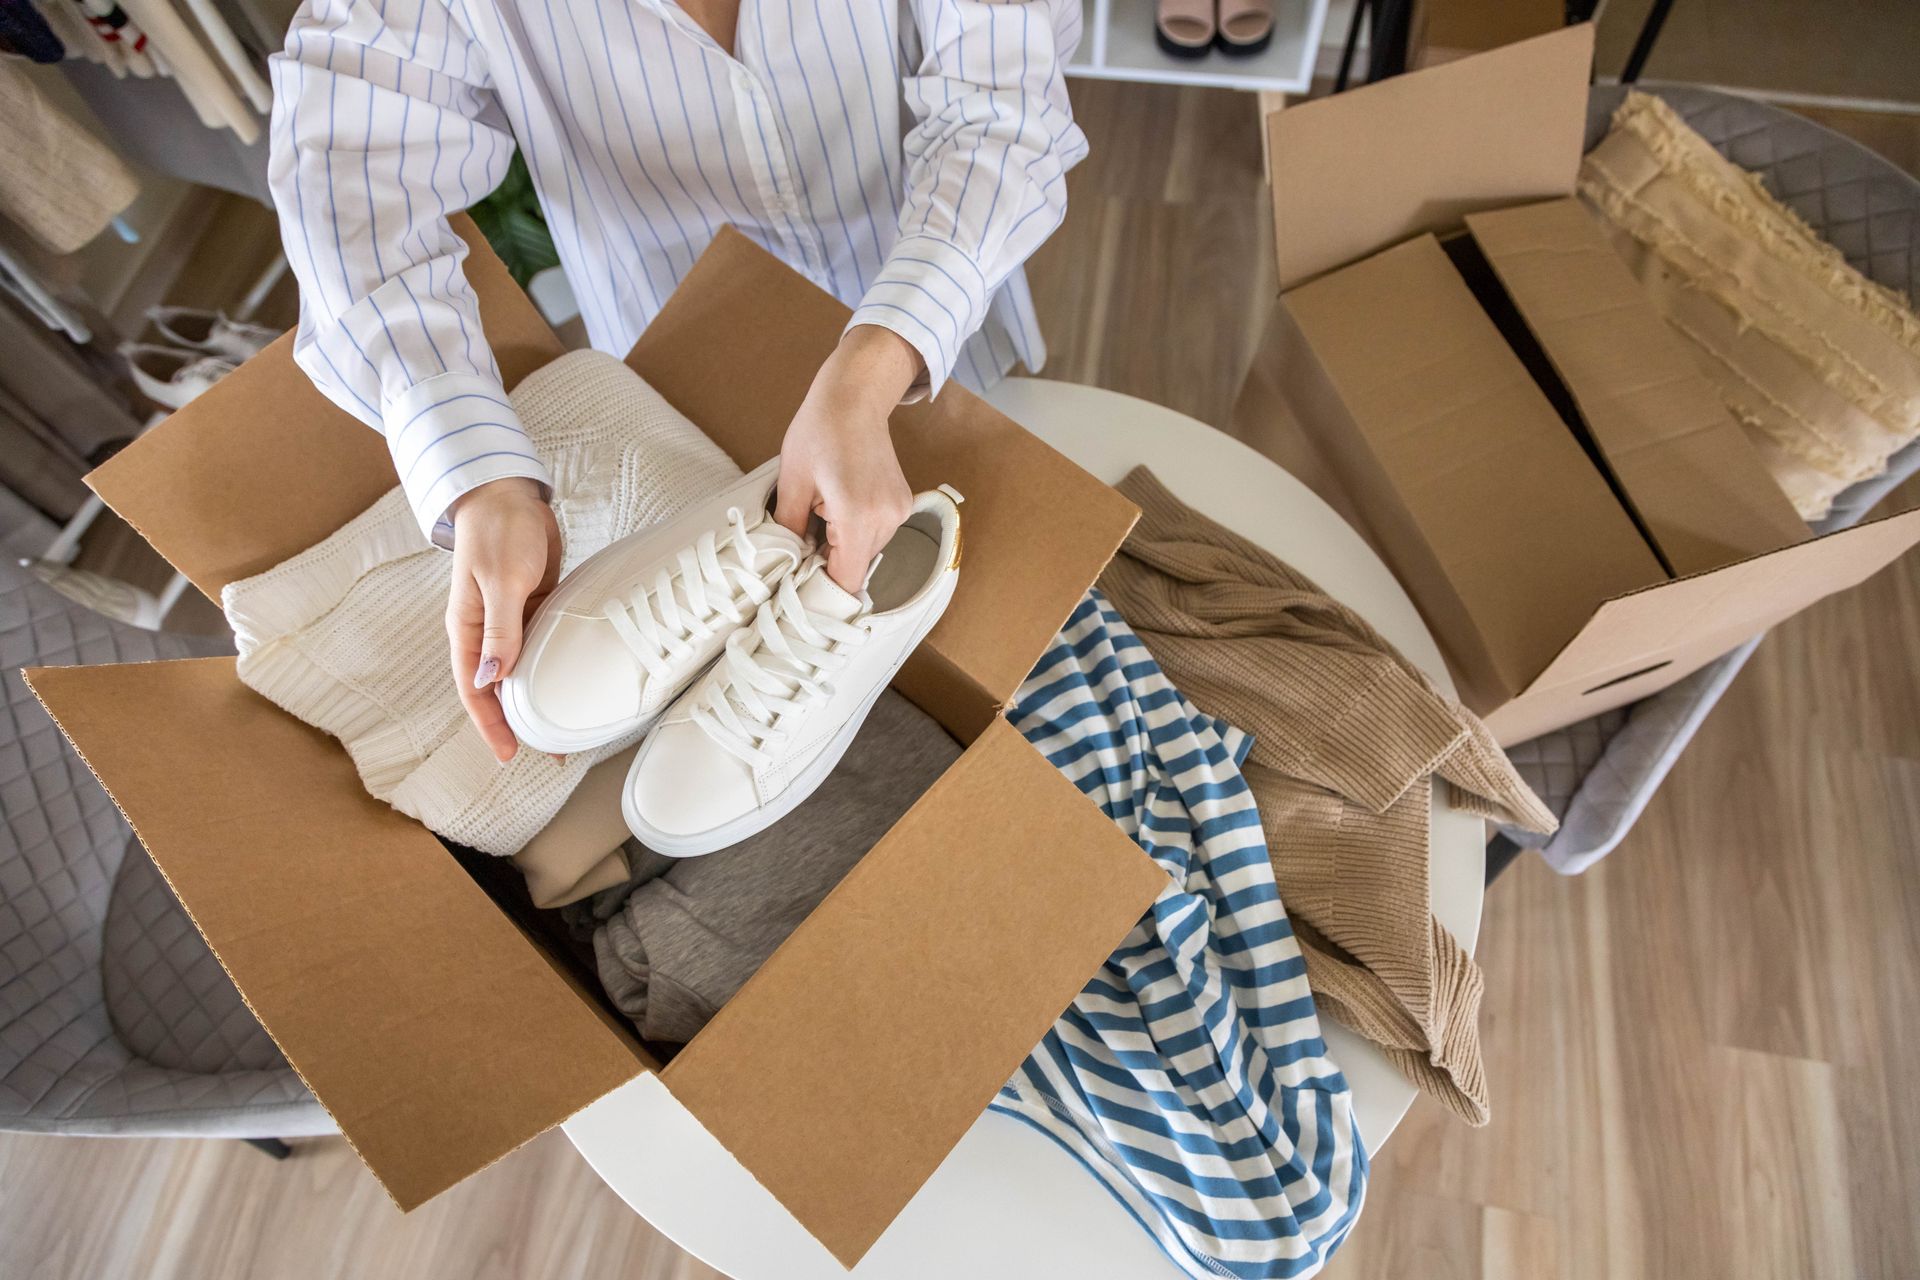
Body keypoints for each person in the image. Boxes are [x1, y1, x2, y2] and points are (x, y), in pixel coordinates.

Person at [266, 0, 1086, 762]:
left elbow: (1002, 108)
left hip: (934, 303)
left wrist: (872, 368)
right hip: (673, 348)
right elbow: (343, 166)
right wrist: (479, 479)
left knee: (1010, 584)